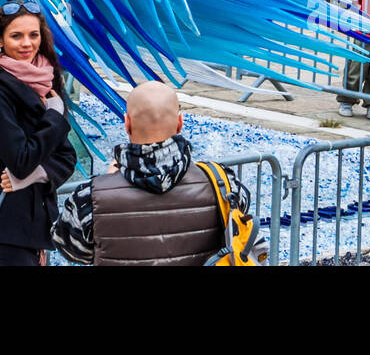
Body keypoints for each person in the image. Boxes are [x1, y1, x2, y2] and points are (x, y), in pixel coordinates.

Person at [51, 81, 250, 266]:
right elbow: (238, 217)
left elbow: (72, 249)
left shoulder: (89, 196)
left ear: (127, 123)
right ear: (180, 123)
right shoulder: (222, 181)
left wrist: (110, 182)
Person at [0, 1, 78, 266]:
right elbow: (19, 160)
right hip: (8, 227)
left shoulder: (43, 79)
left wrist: (35, 176)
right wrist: (54, 115)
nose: (27, 43)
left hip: (35, 225)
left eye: (33, 35)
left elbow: (67, 157)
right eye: (16, 36)